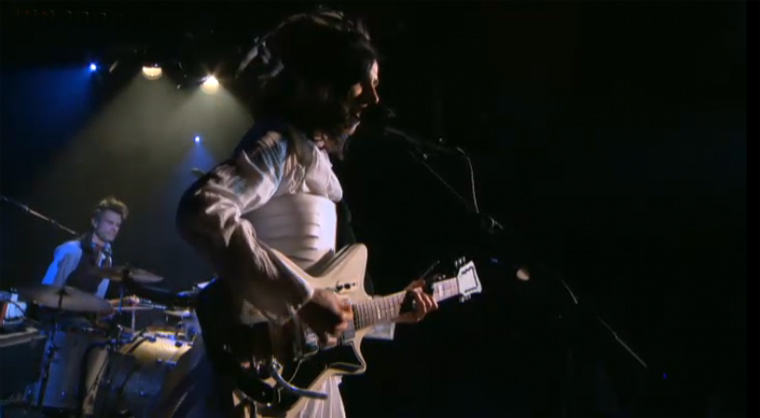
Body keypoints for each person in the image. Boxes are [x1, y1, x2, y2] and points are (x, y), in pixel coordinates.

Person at [174, 8, 438, 418]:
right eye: (364, 84)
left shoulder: (318, 165)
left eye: (376, 86)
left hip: (303, 381)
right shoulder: (280, 144)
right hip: (260, 370)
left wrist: (393, 313)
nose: (374, 100)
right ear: (326, 85)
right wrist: (302, 299)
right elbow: (202, 210)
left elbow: (332, 304)